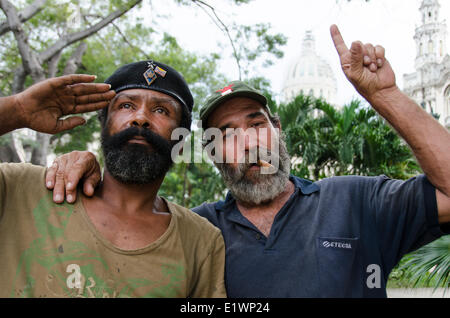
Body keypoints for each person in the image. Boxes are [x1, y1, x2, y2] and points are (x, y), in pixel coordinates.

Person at [46, 25, 450, 297]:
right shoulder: (195, 232)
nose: (249, 143)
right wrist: (88, 169)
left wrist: (386, 96)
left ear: (279, 130)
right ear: (211, 151)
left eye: (256, 124)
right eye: (228, 134)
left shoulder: (358, 201)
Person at [0, 64, 226, 298]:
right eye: (126, 105)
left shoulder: (201, 243)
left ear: (180, 141)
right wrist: (17, 110)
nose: (140, 118)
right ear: (104, 122)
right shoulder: (21, 188)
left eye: (161, 110)